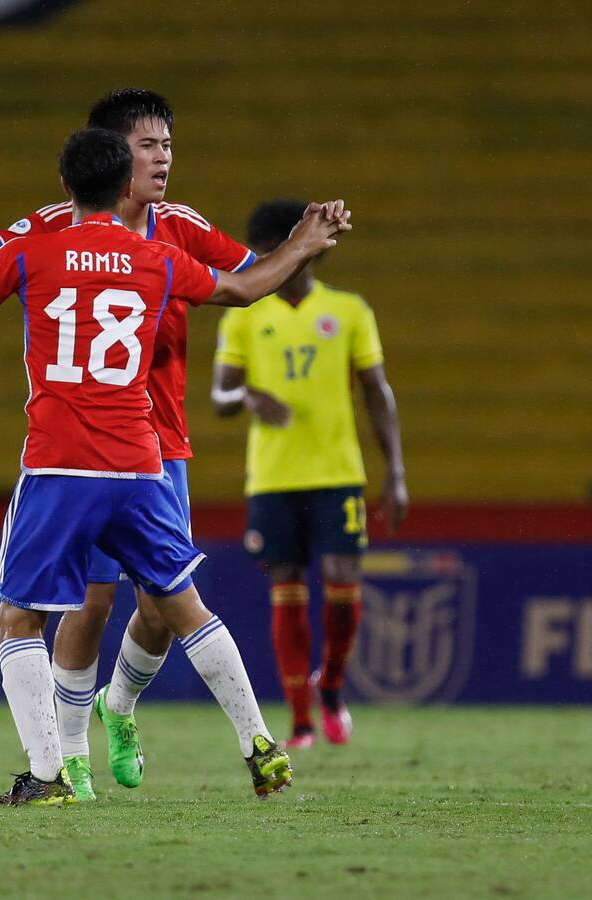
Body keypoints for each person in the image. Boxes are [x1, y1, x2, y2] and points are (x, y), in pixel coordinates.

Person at [0, 127, 351, 801]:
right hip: (140, 464)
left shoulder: (35, 254)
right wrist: (302, 244)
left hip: (63, 464)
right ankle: (260, 744)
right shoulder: (156, 258)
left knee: (19, 617)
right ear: (125, 186)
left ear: (65, 188)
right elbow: (243, 291)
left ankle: (48, 776)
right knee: (183, 605)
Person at [211, 198, 408, 749]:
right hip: (274, 478)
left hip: (338, 471)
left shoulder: (348, 311)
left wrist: (395, 472)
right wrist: (248, 393)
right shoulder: (245, 312)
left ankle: (333, 685)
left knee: (344, 587)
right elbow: (220, 394)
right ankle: (300, 718)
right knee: (287, 590)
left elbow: (377, 392)